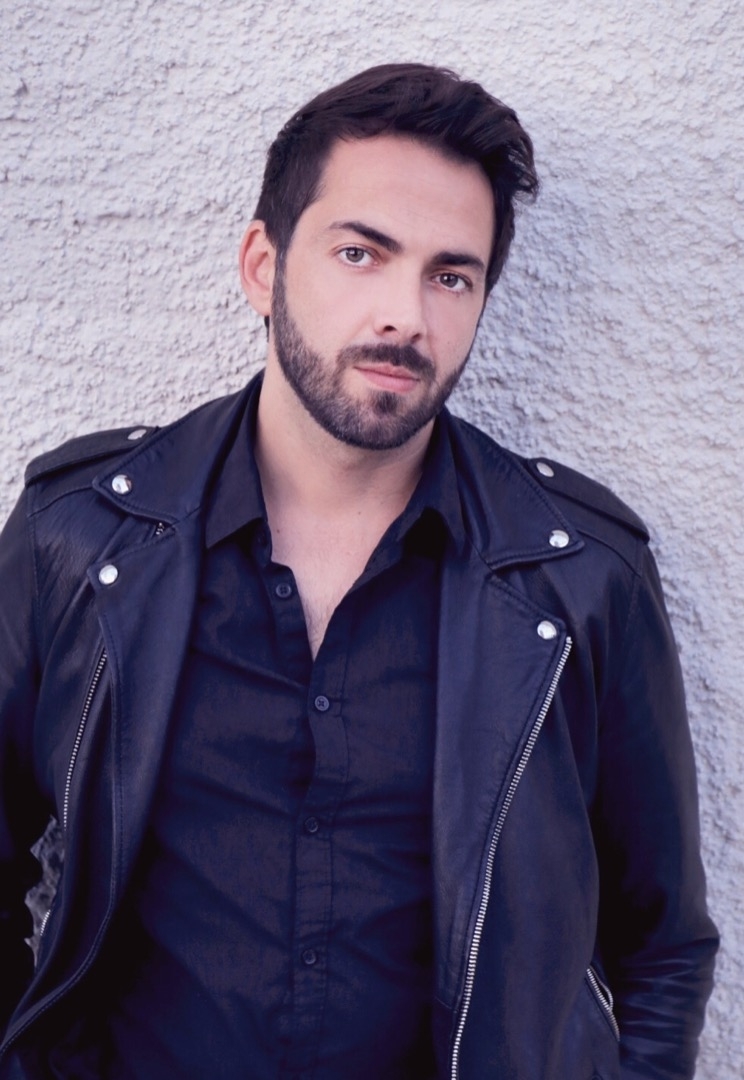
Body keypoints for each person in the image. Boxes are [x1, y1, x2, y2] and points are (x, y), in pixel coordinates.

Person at [0, 63, 717, 1080]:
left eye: (450, 275)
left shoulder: (584, 579)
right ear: (263, 265)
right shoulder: (80, 536)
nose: (405, 316)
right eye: (360, 253)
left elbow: (662, 944)